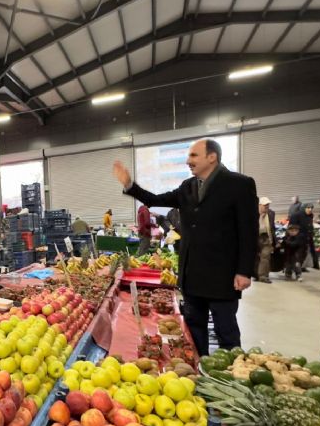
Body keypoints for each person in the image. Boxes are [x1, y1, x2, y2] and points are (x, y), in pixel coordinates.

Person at [112, 138, 257, 356]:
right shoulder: (187, 187)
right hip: (192, 274)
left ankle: (231, 374)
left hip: (222, 274)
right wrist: (130, 186)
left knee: (226, 331)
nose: (188, 161)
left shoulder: (239, 184)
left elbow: (249, 230)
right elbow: (154, 199)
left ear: (212, 157)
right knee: (194, 329)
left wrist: (244, 270)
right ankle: (199, 369)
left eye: (193, 156)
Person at [255, 197, 276, 283]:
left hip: (266, 237)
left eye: (268, 204)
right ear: (259, 205)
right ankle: (256, 274)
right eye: (265, 205)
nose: (267, 206)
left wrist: (276, 241)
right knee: (256, 257)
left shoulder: (271, 214)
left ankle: (263, 276)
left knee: (265, 257)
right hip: (256, 237)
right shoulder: (253, 213)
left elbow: (272, 228)